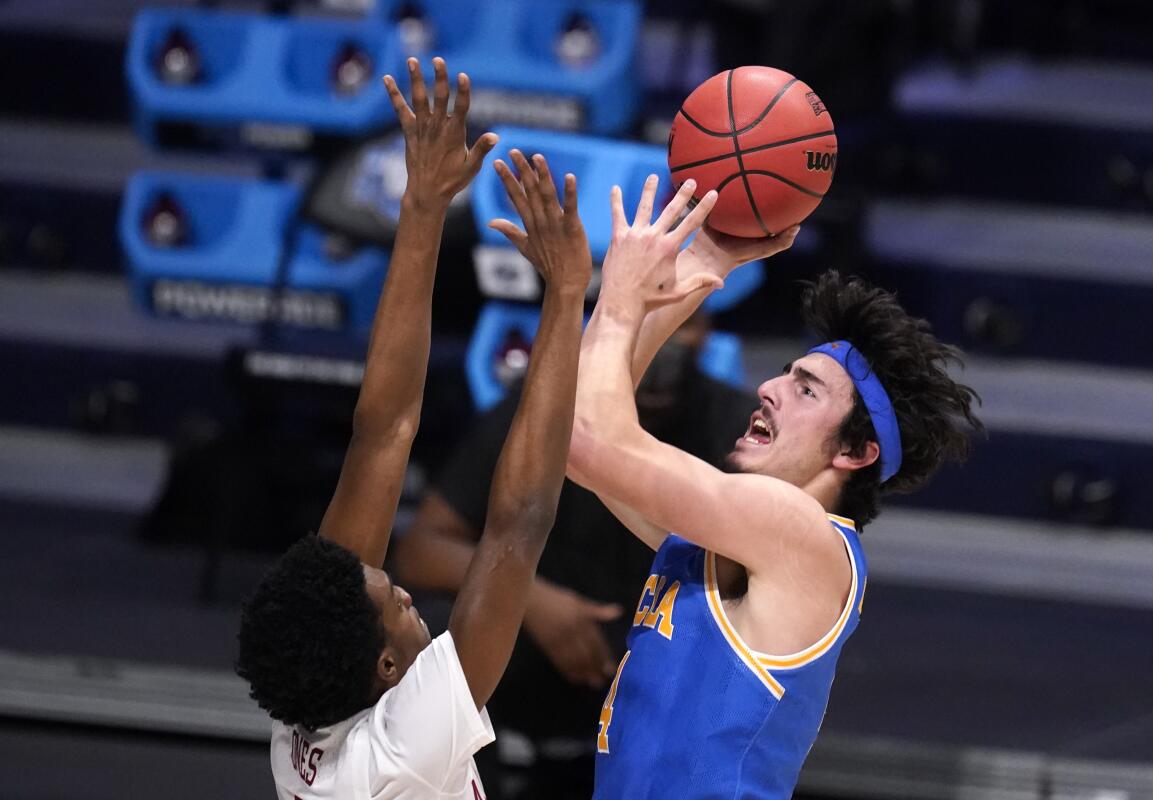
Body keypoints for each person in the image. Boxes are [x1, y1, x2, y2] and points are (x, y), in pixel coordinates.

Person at [236, 58, 609, 800]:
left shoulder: (317, 692)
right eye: (394, 602)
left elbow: (383, 431)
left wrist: (423, 208)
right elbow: (517, 526)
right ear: (386, 670)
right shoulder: (401, 754)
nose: (404, 590)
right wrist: (567, 298)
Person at [566, 176, 983, 798]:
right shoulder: (737, 539)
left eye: (806, 388)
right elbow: (575, 438)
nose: (769, 388)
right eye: (786, 374)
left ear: (855, 452)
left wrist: (624, 297)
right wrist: (706, 262)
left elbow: (586, 438)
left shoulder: (799, 532)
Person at [390, 308, 756, 792]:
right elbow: (420, 551)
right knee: (434, 629)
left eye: (682, 324)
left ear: (707, 333)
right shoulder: (547, 407)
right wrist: (533, 602)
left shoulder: (739, 431)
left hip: (661, 682)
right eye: (648, 321)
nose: (665, 343)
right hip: (537, 668)